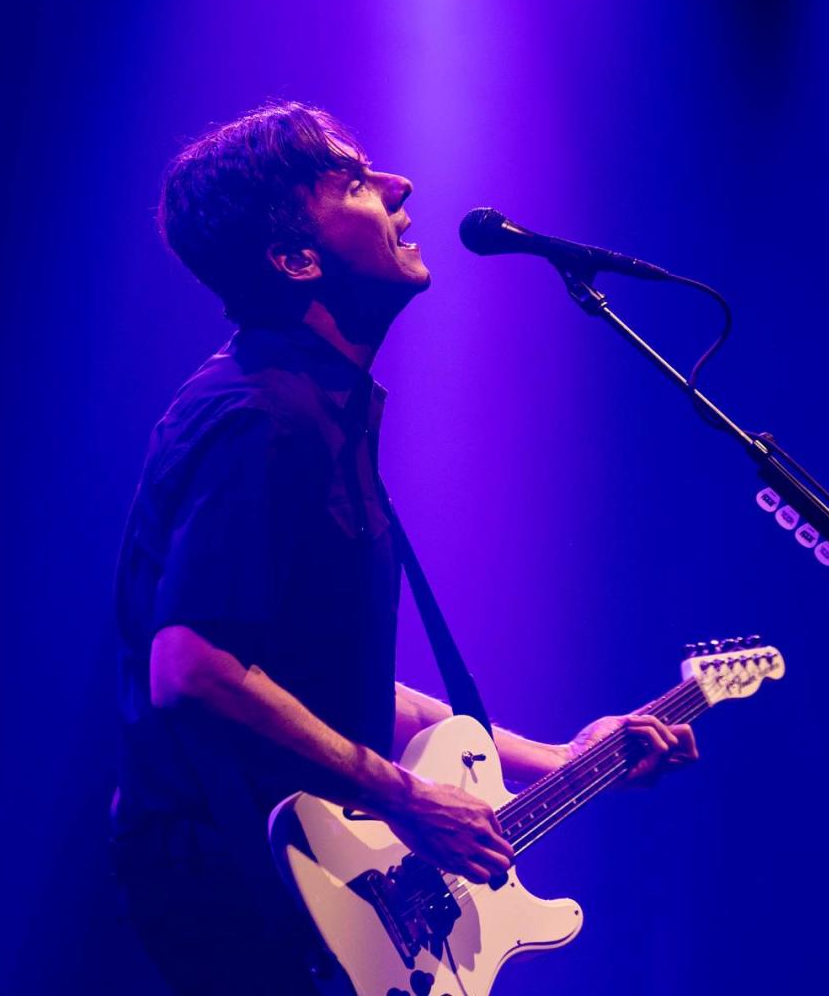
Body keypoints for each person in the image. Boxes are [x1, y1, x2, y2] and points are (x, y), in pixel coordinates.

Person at [111, 100, 697, 996]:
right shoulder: (259, 416)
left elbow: (324, 692)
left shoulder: (319, 410)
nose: (399, 185)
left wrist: (566, 759)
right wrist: (404, 797)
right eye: (352, 178)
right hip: (239, 884)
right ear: (296, 258)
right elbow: (192, 669)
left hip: (290, 879)